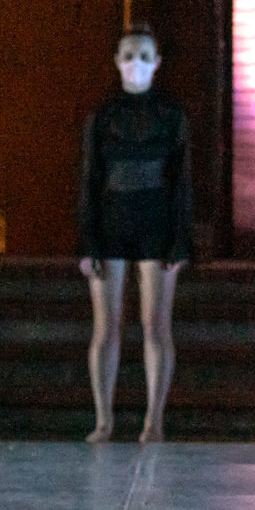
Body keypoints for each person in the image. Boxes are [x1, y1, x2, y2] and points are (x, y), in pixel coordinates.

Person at [77, 24, 192, 444]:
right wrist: (87, 241)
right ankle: (104, 420)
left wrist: (180, 240)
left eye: (144, 56)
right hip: (110, 221)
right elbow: (89, 178)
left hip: (157, 222)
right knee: (106, 327)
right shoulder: (103, 115)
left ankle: (153, 421)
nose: (135, 64)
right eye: (128, 55)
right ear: (116, 61)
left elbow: (181, 181)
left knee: (155, 325)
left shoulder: (171, 113)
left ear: (157, 63)